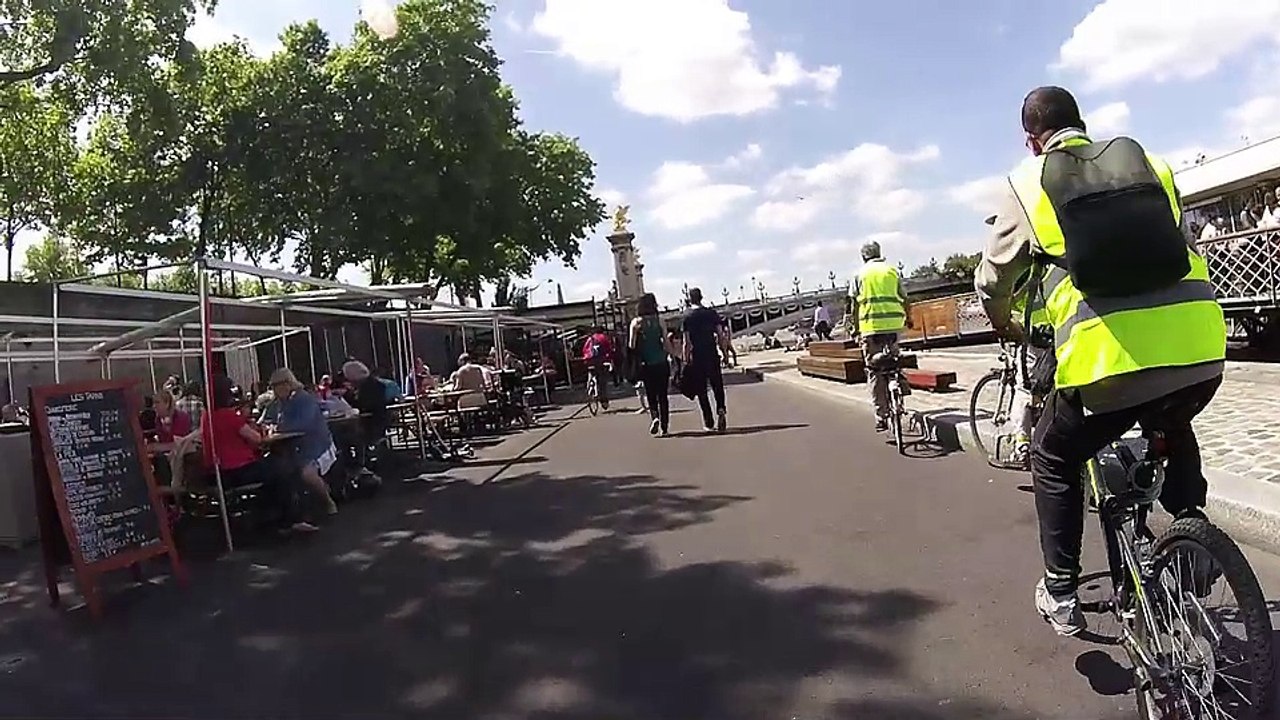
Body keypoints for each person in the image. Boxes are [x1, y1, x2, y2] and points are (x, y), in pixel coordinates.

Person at [975, 85, 1227, 637]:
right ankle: (1193, 532)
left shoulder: (1027, 181)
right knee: (1171, 416)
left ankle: (1061, 590)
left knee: (1052, 454)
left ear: (1030, 141)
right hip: (1201, 347)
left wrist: (1005, 321)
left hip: (1104, 366)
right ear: (1082, 124)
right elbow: (1176, 237)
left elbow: (995, 276)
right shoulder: (1151, 163)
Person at [203, 374, 315, 533]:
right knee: (287, 467)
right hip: (237, 470)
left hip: (217, 472)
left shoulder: (207, 417)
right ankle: (291, 518)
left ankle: (270, 513)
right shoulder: (229, 416)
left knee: (275, 469)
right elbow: (256, 439)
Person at [850, 240, 909, 431]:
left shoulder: (859, 275)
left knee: (874, 370)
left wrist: (855, 328)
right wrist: (909, 319)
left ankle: (881, 415)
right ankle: (901, 390)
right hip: (893, 326)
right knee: (894, 360)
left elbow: (854, 306)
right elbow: (904, 298)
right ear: (879, 253)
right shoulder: (891, 271)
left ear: (863, 256)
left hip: (871, 328)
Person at [270, 368, 341, 517]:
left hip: (318, 446)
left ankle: (328, 501)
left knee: (307, 474)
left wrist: (279, 428)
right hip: (295, 447)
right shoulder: (280, 403)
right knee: (280, 471)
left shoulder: (304, 399)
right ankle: (296, 511)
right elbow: (269, 419)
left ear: (287, 384)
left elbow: (303, 423)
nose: (274, 390)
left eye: (276, 386)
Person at [629, 292, 676, 436]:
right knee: (663, 395)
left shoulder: (636, 323)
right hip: (661, 361)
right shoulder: (659, 320)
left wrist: (637, 334)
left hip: (646, 363)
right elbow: (666, 343)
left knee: (651, 394)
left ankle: (654, 417)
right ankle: (665, 426)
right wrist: (673, 356)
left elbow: (631, 345)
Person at [682, 287, 728, 432]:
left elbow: (686, 342)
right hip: (712, 354)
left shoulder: (687, 316)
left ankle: (708, 422)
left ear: (690, 299)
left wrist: (685, 359)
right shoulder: (711, 314)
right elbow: (720, 336)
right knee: (717, 385)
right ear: (701, 297)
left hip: (697, 357)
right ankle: (721, 409)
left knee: (702, 391)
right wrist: (725, 354)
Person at [581, 326, 614, 410]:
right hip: (601, 362)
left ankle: (590, 387)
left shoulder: (590, 339)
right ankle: (604, 401)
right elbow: (609, 350)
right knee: (602, 382)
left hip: (589, 361)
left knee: (591, 373)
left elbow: (584, 350)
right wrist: (609, 360)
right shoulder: (604, 338)